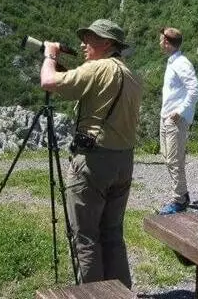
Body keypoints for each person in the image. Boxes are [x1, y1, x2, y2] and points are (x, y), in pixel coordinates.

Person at [40, 19, 142, 287]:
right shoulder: (130, 75)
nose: (84, 44)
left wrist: (50, 56)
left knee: (85, 237)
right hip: (123, 161)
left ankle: (92, 295)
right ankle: (121, 293)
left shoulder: (97, 69)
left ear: (107, 43)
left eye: (90, 39)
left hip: (95, 161)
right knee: (112, 234)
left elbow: (48, 81)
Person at [158, 27, 198, 214]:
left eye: (161, 39)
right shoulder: (173, 62)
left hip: (175, 119)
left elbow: (195, 90)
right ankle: (182, 193)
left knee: (174, 160)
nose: (159, 42)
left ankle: (179, 199)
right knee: (168, 158)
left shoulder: (182, 63)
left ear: (166, 42)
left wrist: (180, 111)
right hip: (166, 117)